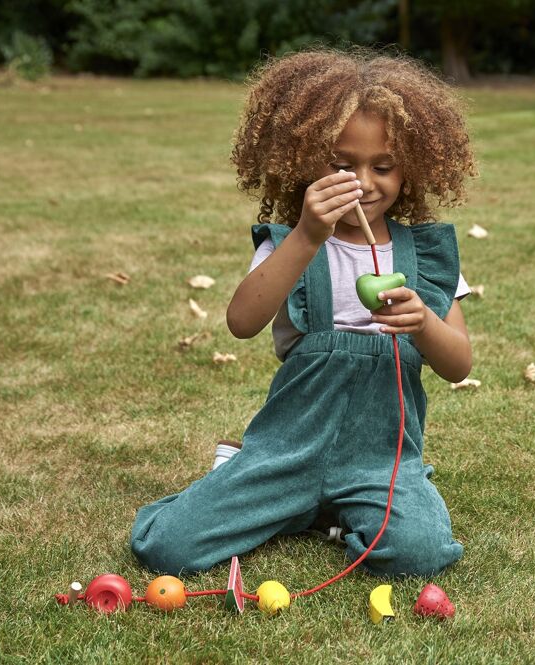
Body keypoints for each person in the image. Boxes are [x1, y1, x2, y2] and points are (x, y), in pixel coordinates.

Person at [131, 47, 477, 578]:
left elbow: (459, 365)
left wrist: (424, 323)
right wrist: (308, 234)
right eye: (342, 165)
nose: (363, 182)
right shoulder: (293, 243)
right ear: (301, 160)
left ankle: (323, 511)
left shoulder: (425, 256)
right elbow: (242, 322)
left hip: (379, 460)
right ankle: (254, 476)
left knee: (419, 554)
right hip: (287, 450)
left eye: (383, 167)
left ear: (412, 167)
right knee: (168, 549)